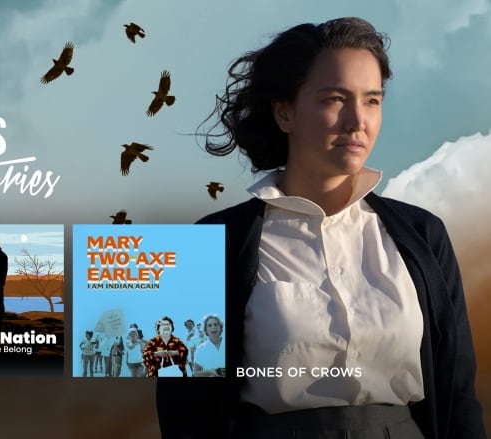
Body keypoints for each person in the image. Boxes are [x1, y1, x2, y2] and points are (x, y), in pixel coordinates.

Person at [156, 16, 485, 439]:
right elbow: (183, 413)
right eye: (335, 99)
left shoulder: (424, 235)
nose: (357, 121)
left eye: (372, 100)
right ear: (284, 111)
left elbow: (458, 398)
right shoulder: (203, 245)